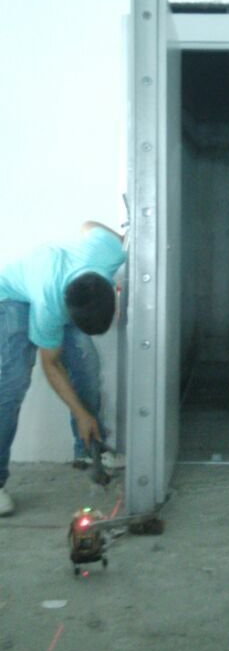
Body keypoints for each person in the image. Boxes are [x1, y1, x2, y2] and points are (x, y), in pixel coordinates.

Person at [0, 220, 126, 516]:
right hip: (12, 298)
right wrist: (81, 413)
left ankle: (89, 449)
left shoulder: (109, 253)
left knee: (87, 366)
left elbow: (89, 225)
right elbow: (51, 364)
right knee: (13, 384)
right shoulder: (50, 306)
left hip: (61, 283)